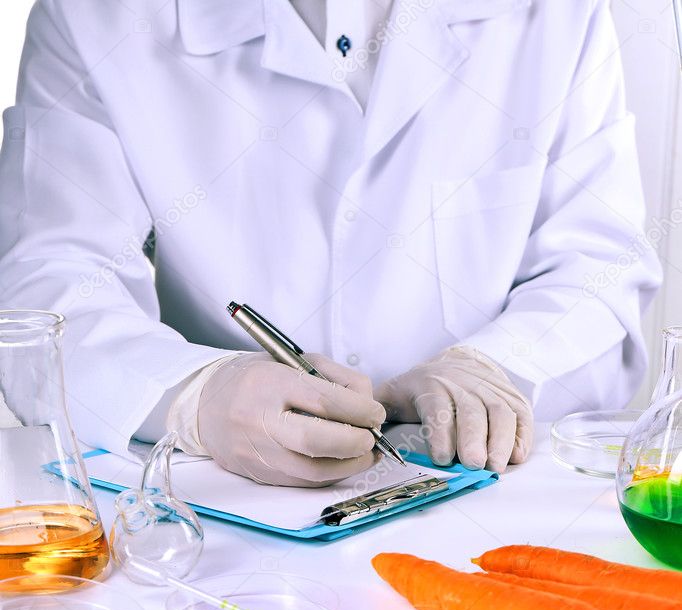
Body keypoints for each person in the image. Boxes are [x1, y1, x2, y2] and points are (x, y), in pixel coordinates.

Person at [0, 0, 661, 486]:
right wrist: (196, 397)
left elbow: (601, 264)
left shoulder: (556, 13)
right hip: (226, 512)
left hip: (490, 498)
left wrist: (497, 365)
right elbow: (48, 290)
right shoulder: (96, 16)